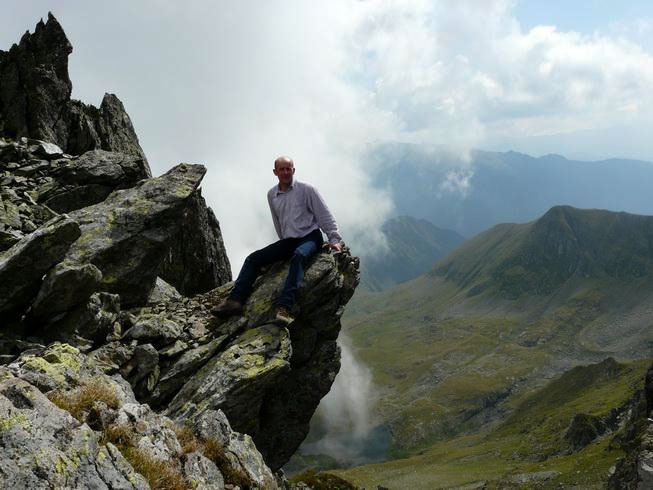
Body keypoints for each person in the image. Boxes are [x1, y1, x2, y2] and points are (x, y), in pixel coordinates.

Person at [212, 155, 343, 325]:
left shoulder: (307, 189)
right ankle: (234, 302)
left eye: (289, 168)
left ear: (294, 170)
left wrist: (335, 238)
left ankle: (285, 308)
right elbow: (277, 221)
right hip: (289, 240)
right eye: (282, 169)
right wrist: (282, 246)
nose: (286, 172)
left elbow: (324, 214)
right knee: (253, 259)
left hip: (310, 235)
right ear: (275, 172)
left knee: (299, 256)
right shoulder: (272, 194)